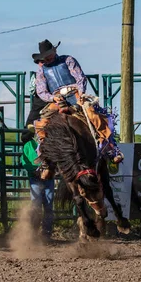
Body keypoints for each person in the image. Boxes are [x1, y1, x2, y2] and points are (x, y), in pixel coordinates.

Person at [28, 39, 123, 174]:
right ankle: (45, 158)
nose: (47, 58)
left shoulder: (68, 60)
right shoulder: (42, 70)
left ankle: (110, 149)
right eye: (45, 56)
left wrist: (80, 94)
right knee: (42, 124)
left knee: (93, 114)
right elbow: (41, 91)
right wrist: (53, 98)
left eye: (49, 54)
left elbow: (80, 78)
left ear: (54, 51)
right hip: (56, 99)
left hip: (75, 95)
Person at [20, 128, 54, 240]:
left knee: (46, 204)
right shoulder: (29, 145)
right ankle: (36, 232)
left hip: (46, 177)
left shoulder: (47, 143)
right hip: (38, 177)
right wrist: (35, 170)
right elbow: (25, 162)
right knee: (38, 205)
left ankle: (45, 232)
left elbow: (25, 162)